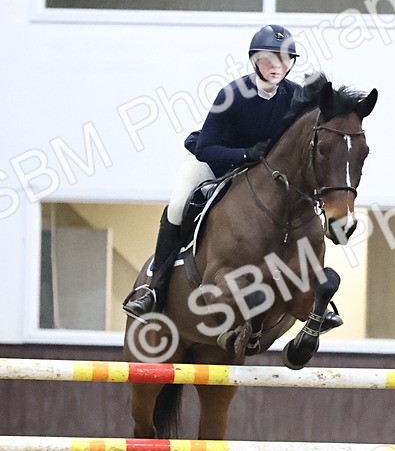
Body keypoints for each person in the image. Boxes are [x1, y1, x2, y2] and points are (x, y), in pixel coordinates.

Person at [123, 24, 302, 318]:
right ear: (254, 61)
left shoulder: (295, 97)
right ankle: (154, 287)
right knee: (179, 206)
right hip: (214, 163)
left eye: (284, 59)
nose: (277, 66)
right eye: (269, 59)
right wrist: (245, 155)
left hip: (261, 175)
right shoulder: (231, 94)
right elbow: (207, 147)